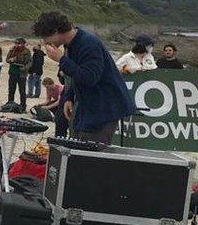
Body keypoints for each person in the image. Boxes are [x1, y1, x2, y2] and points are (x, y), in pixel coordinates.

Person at [33, 11, 135, 145]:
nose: (45, 42)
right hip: (87, 105)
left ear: (56, 31)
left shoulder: (88, 43)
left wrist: (61, 59)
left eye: (45, 36)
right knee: (77, 142)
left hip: (104, 106)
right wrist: (69, 97)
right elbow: (75, 74)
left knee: (90, 151)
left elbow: (90, 77)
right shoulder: (71, 44)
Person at [5, 38, 32, 111]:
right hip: (13, 71)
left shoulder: (27, 51)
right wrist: (11, 60)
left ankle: (23, 105)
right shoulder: (12, 50)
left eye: (19, 43)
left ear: (23, 44)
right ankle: (10, 103)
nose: (17, 45)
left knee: (22, 91)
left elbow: (29, 62)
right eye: (16, 43)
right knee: (11, 89)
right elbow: (7, 59)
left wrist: (25, 68)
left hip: (21, 73)